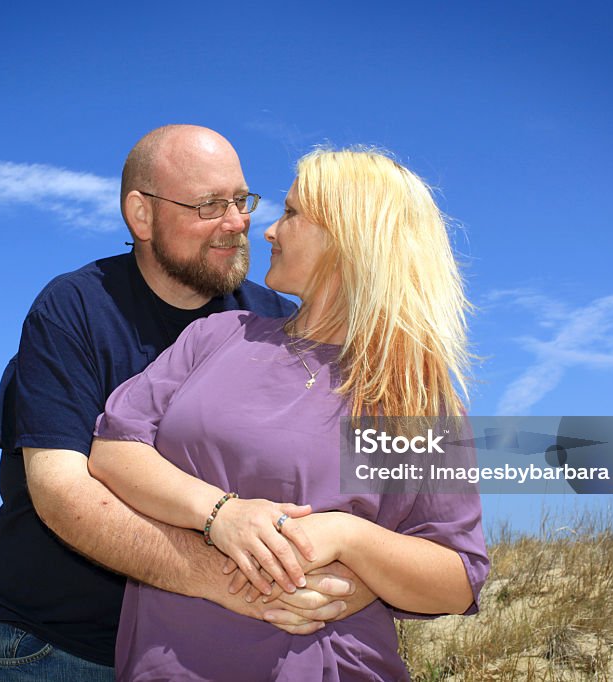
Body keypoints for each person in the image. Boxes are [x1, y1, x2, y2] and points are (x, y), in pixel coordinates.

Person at [0, 126, 378, 680]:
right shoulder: (72, 310)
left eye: (241, 201)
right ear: (141, 215)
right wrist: (241, 583)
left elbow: (352, 501)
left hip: (205, 649)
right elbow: (63, 493)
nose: (238, 224)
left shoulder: (277, 323)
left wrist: (348, 585)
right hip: (57, 643)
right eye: (210, 205)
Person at [89, 148, 490, 681]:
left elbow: (455, 577)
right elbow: (115, 449)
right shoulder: (217, 336)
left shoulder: (410, 395)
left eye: (294, 214)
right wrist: (220, 513)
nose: (269, 230)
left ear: (350, 238)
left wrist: (349, 537)